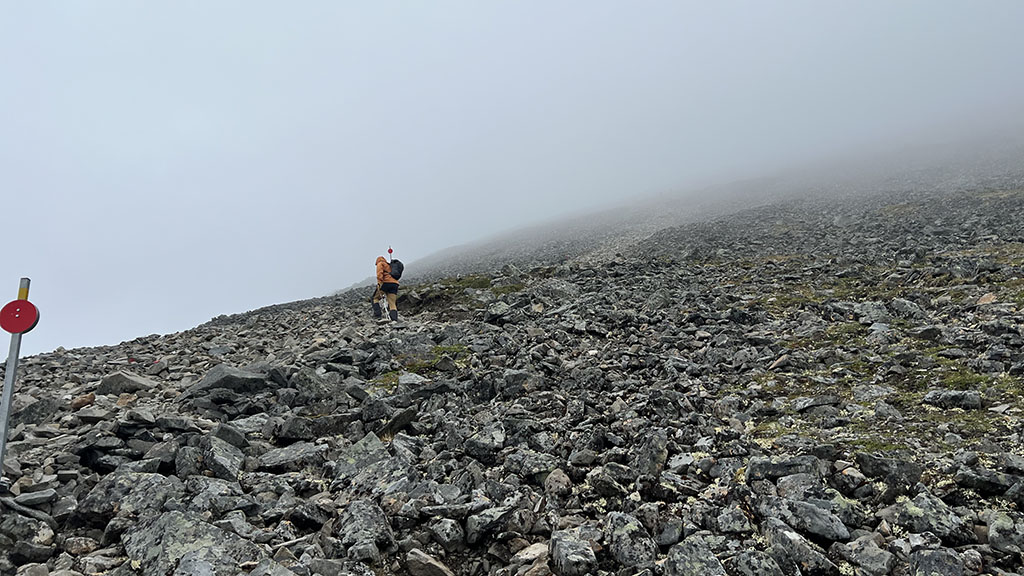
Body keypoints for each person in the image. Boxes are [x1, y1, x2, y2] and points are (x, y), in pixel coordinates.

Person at [371, 256, 400, 321]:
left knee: (375, 298)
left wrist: (379, 284)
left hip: (386, 283)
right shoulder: (390, 266)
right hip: (395, 284)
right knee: (392, 303)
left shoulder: (380, 263)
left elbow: (379, 274)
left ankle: (378, 315)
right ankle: (394, 319)